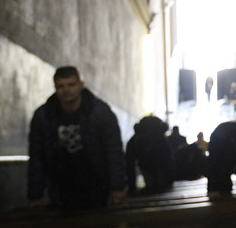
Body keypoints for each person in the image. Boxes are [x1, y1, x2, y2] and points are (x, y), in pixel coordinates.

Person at [27, 66, 127, 211]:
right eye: (61, 86)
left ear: (81, 85)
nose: (66, 90)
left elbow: (113, 151)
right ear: (55, 88)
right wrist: (35, 195)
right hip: (60, 187)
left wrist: (117, 187)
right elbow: (37, 156)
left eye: (71, 84)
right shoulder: (44, 117)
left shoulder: (100, 113)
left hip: (96, 184)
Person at [125, 116, 175, 194]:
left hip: (146, 166)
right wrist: (169, 182)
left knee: (152, 184)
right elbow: (169, 161)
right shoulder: (161, 139)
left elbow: (129, 164)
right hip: (158, 168)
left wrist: (132, 187)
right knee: (158, 185)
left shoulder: (135, 139)